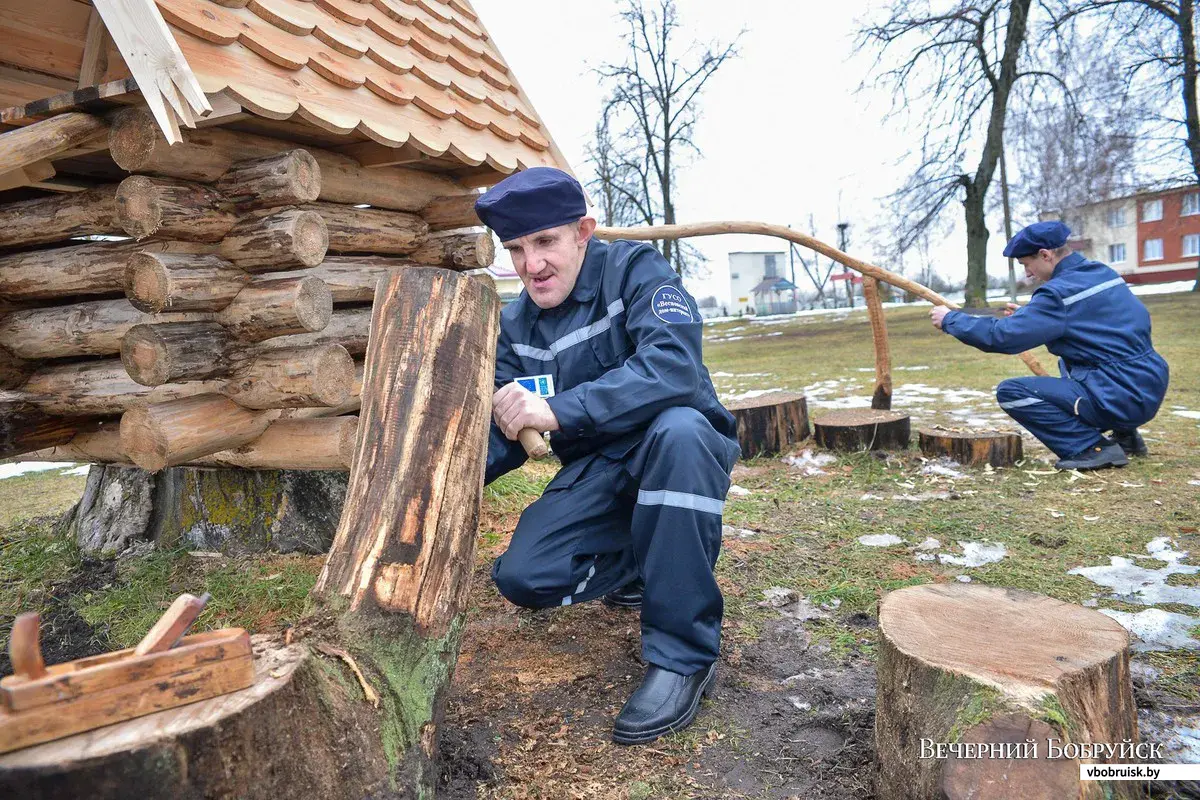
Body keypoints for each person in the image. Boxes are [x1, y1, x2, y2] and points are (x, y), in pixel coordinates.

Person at [476, 167, 740, 745]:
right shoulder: (515, 326)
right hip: (601, 469)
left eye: (545, 242)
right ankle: (649, 560)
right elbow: (504, 430)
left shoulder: (638, 273)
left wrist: (561, 410)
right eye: (516, 249)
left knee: (679, 434)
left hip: (675, 445)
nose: (531, 265)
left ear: (583, 232)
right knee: (524, 577)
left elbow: (673, 369)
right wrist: (448, 482)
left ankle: (683, 656)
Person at [929, 220, 1169, 470]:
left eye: (1026, 264)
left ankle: (1092, 448)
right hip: (1148, 383)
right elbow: (1091, 322)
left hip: (1119, 395)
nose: (1028, 274)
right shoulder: (1101, 273)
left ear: (1045, 255)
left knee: (1012, 392)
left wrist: (950, 320)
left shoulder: (1057, 293)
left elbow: (1002, 337)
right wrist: (1030, 316)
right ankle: (1126, 436)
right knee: (1070, 360)